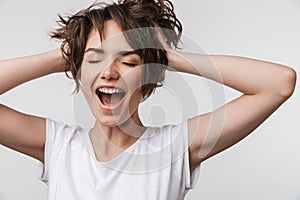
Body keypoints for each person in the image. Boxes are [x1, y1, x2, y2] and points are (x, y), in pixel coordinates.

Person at [0, 0, 296, 199]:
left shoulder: (177, 147)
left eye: (128, 63)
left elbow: (279, 84)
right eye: (96, 61)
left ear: (147, 81)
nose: (109, 73)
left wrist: (166, 55)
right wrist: (68, 54)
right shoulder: (57, 146)